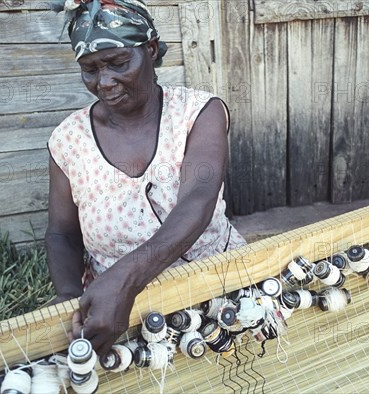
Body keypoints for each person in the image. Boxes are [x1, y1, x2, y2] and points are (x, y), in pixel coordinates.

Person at [46, 0, 246, 357]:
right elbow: (63, 233)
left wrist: (124, 280)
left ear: (150, 50)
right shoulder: (67, 141)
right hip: (117, 310)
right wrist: (69, 300)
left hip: (218, 285)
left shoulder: (198, 113)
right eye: (90, 70)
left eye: (118, 63)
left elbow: (196, 204)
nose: (104, 82)